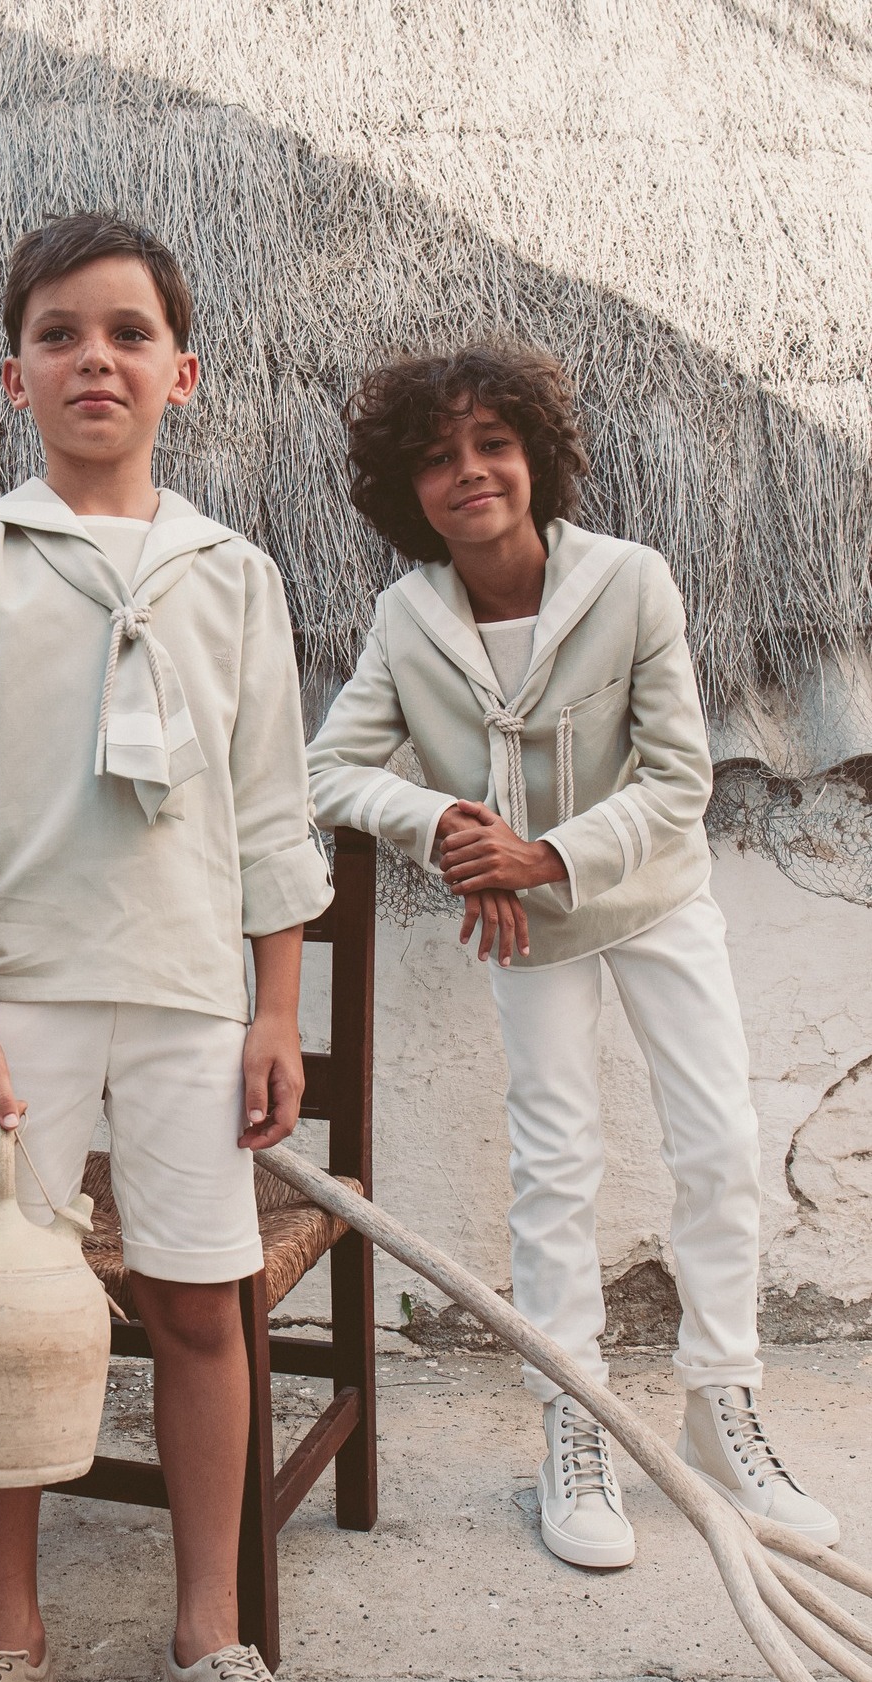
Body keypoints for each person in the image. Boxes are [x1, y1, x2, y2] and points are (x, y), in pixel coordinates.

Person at [0, 213, 339, 1682]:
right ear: (12, 376)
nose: (95, 359)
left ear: (180, 375)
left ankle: (208, 1645)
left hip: (193, 996)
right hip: (19, 1000)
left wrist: (271, 1010)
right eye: (59, 334)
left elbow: (270, 808)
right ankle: (9, 1649)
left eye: (128, 333)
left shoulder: (233, 576)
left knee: (200, 1305)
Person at [307, 343, 840, 1572]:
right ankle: (574, 1420)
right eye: (436, 457)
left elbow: (678, 778)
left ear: (535, 458)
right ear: (405, 490)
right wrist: (448, 828)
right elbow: (332, 768)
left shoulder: (628, 581)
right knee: (553, 1162)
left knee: (716, 1142)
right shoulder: (404, 618)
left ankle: (720, 1407)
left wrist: (542, 854)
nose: (468, 471)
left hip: (647, 896)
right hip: (522, 924)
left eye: (492, 444)